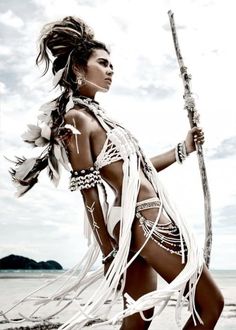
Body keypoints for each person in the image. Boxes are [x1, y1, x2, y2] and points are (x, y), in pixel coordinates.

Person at [5, 16, 223, 330]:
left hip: (137, 219)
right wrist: (109, 255)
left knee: (138, 319)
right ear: (79, 68)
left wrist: (183, 148)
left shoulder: (100, 117)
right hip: (144, 218)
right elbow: (87, 188)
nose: (111, 71)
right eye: (103, 63)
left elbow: (139, 168)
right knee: (210, 304)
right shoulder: (76, 118)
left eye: (112, 66)